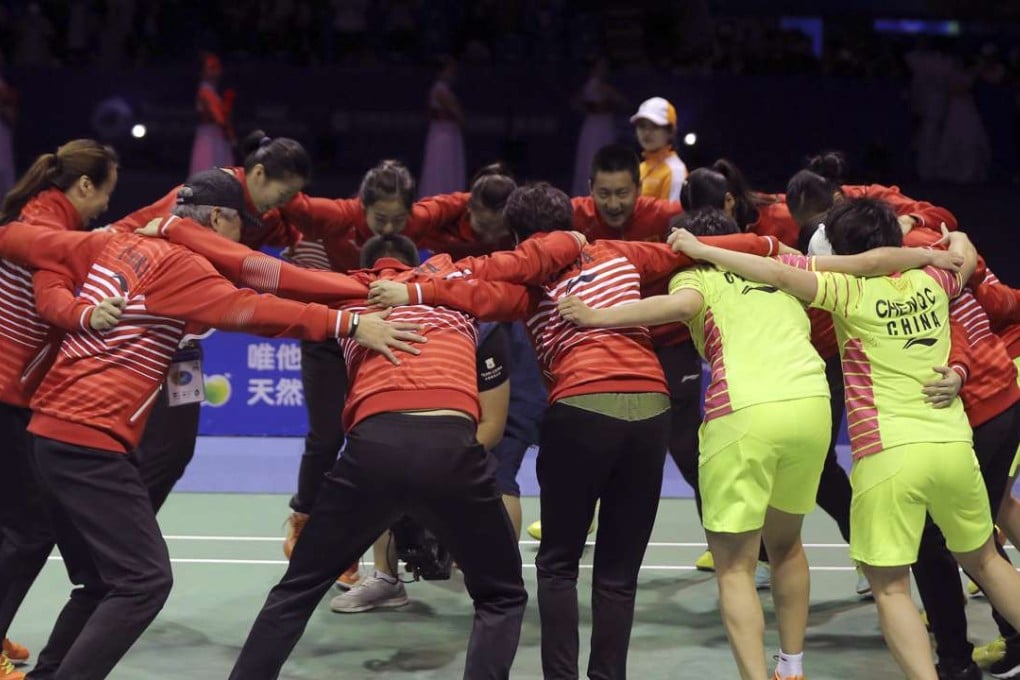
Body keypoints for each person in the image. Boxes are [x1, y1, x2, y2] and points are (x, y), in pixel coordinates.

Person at [0, 174, 421, 680]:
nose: (242, 238)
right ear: (218, 220)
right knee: (144, 581)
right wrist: (350, 321)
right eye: (239, 226)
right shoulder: (182, 265)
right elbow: (259, 306)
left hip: (48, 432)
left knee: (97, 578)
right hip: (87, 440)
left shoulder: (112, 242)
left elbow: (23, 243)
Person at [368, 183, 782, 679]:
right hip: (652, 410)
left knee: (559, 565)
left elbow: (470, 288)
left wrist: (411, 290)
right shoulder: (620, 253)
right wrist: (774, 247)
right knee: (618, 574)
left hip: (582, 409)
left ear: (520, 236)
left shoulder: (527, 280)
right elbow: (698, 247)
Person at [560, 207, 963, 680]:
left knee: (734, 567)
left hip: (744, 411)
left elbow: (678, 308)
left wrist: (595, 316)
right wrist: (921, 248)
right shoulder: (786, 265)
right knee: (788, 546)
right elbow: (870, 263)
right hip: (810, 407)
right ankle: (790, 668)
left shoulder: (696, 276)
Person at [668, 197, 1020, 680]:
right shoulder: (937, 278)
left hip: (888, 456)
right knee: (986, 560)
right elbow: (964, 248)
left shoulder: (844, 290)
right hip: (953, 446)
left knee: (892, 588)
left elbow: (773, 271)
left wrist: (700, 248)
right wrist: (938, 243)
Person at [228, 224, 586, 680]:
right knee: (501, 596)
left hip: (373, 447)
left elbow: (258, 273)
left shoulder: (344, 291)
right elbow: (529, 275)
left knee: (296, 590)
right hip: (452, 446)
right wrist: (575, 239)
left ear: (366, 265)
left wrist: (180, 230)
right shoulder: (457, 283)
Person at [109, 131, 313, 515]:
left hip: (185, 348)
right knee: (138, 446)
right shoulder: (201, 198)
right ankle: (120, 539)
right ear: (256, 175)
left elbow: (300, 226)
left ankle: (124, 537)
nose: (282, 207)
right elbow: (123, 236)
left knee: (175, 451)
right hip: (145, 339)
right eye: (282, 196)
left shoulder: (260, 213)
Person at [329, 234, 512, 614]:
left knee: (500, 484)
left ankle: (494, 589)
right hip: (401, 445)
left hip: (461, 443)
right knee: (378, 465)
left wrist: (441, 469)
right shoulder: (359, 325)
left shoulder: (474, 322)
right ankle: (385, 579)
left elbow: (492, 422)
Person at [0, 140, 120, 680]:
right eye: (105, 194)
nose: (105, 207)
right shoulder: (47, 230)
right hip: (6, 396)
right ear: (85, 185)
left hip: (15, 394)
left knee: (20, 530)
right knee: (28, 532)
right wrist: (87, 314)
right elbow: (51, 301)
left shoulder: (47, 219)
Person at [785, 151, 958, 252]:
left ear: (837, 201)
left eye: (819, 224)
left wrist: (908, 220)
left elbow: (946, 217)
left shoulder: (874, 196)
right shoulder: (796, 209)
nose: (815, 232)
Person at [681, 159, 798, 247]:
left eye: (709, 215)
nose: (703, 223)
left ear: (729, 200)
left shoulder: (785, 220)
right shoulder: (698, 212)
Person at [571, 57, 625, 197]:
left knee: (604, 157)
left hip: (604, 126)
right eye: (601, 66)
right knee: (591, 157)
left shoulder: (602, 85)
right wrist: (592, 108)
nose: (604, 69)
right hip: (594, 127)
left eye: (605, 66)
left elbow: (622, 102)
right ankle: (589, 192)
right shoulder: (593, 85)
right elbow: (576, 103)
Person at [418, 57, 466, 197]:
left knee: (449, 167)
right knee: (440, 166)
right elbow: (457, 112)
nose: (453, 74)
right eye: (450, 70)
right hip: (442, 134)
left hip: (449, 132)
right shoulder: (439, 89)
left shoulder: (445, 90)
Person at [631, 96, 687, 201]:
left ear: (670, 131)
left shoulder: (675, 172)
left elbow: (676, 216)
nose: (647, 133)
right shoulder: (640, 168)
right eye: (642, 126)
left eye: (655, 126)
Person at [189, 53, 235, 175]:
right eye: (211, 67)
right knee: (209, 170)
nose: (216, 70)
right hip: (209, 138)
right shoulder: (205, 91)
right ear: (203, 71)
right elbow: (219, 119)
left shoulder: (212, 91)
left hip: (215, 137)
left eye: (217, 66)